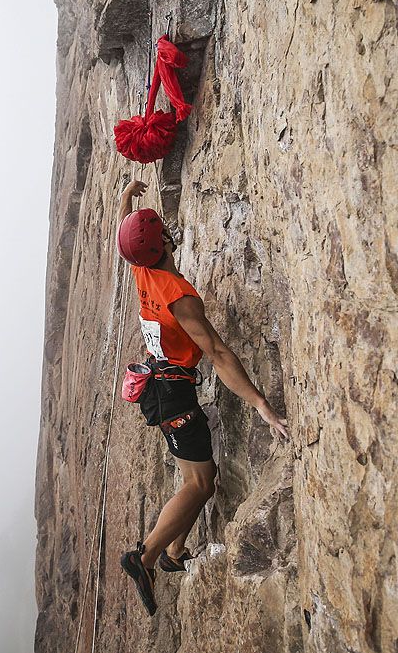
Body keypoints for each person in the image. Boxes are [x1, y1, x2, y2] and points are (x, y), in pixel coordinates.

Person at [115, 179, 289, 616]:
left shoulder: (141, 269)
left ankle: (174, 554)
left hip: (158, 386)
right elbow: (217, 353)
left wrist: (125, 202)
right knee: (199, 483)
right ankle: (146, 556)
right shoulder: (178, 296)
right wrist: (261, 405)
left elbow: (129, 238)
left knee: (201, 478)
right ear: (167, 242)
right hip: (173, 396)